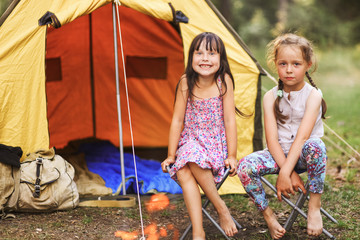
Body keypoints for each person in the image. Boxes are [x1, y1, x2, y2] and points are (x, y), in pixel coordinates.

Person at [237, 33, 328, 239]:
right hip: (277, 155)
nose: (289, 69)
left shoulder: (314, 95)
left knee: (316, 146)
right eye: (283, 63)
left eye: (296, 64)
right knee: (244, 166)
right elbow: (272, 141)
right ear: (275, 65)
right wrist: (288, 173)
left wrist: (285, 173)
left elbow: (303, 138)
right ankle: (269, 216)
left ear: (308, 65)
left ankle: (314, 207)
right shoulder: (270, 97)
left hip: (304, 155)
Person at [161, 32, 242, 239]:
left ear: (221, 59)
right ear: (191, 57)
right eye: (199, 53)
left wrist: (232, 155)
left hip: (215, 145)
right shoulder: (186, 82)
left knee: (186, 167)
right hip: (191, 140)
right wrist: (171, 155)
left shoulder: (223, 82)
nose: (205, 58)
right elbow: (177, 121)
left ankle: (218, 211)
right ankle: (200, 230)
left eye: (212, 53)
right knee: (186, 161)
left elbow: (229, 120)